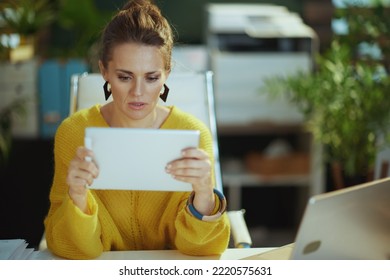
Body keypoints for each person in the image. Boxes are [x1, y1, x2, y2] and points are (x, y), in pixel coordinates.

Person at [44, 0, 230, 259]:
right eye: (125, 77)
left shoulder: (193, 134)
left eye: (151, 78)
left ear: (167, 73)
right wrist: (76, 196)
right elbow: (72, 249)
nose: (138, 92)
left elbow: (203, 250)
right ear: (104, 71)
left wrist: (204, 195)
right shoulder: (73, 132)